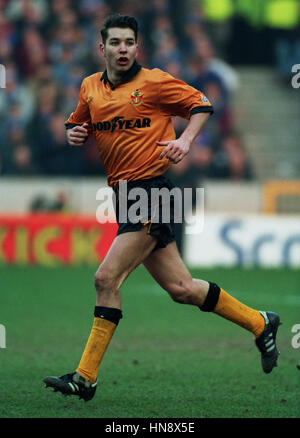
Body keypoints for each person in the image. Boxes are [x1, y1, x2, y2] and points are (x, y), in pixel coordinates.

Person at [43, 13, 281, 402]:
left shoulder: (153, 81)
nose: (123, 49)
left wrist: (186, 142)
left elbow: (202, 104)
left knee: (105, 279)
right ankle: (261, 322)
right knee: (182, 288)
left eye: (129, 43)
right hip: (125, 197)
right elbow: (77, 124)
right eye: (115, 43)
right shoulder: (89, 87)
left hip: (152, 193)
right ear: (102, 48)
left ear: (138, 47)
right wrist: (74, 132)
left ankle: (85, 377)